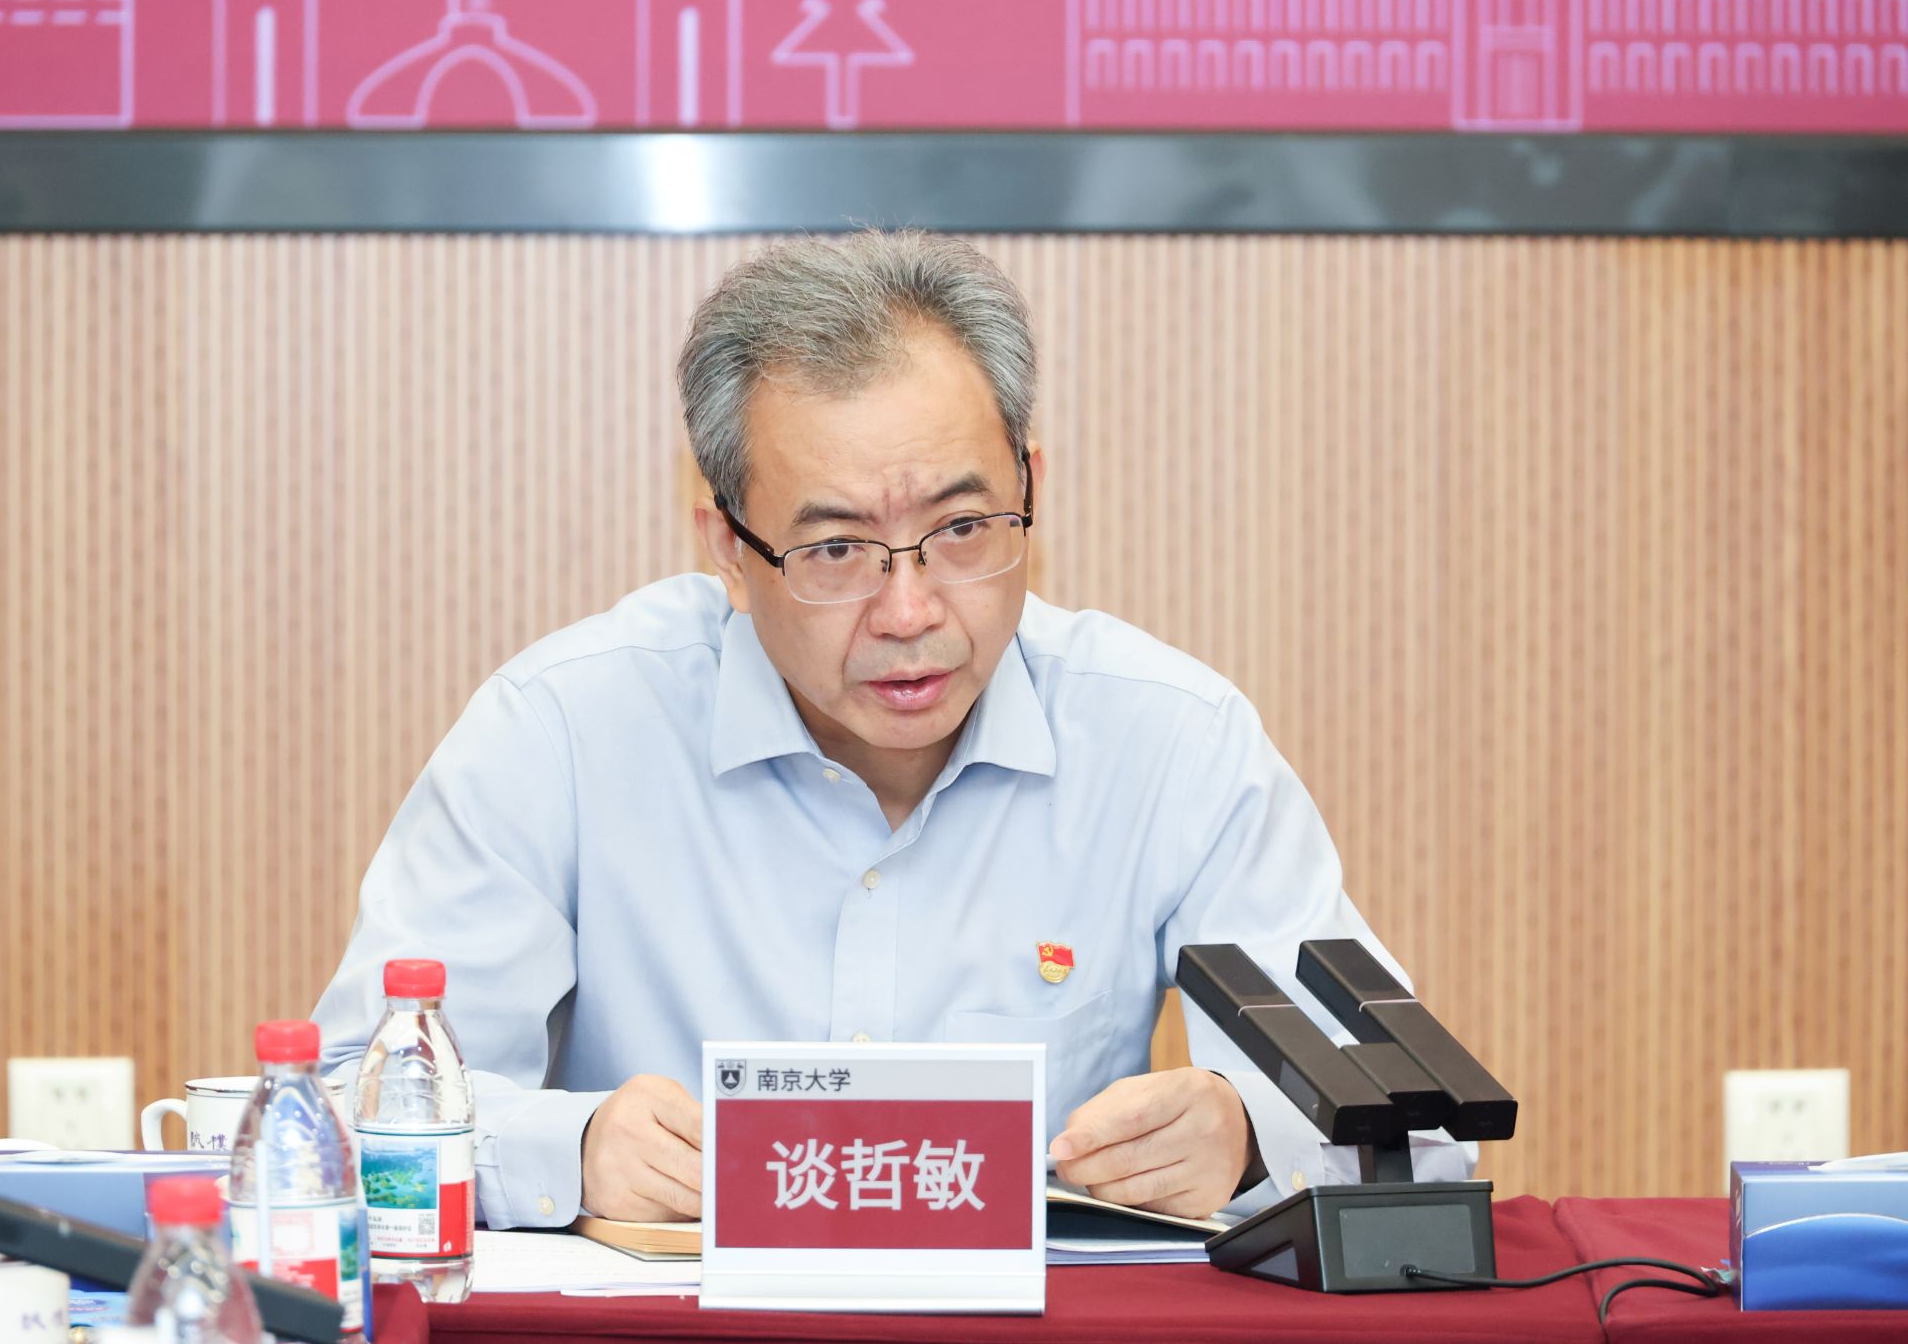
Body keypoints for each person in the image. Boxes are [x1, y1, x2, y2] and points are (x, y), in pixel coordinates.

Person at [311, 229, 1474, 1229]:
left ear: (1030, 486)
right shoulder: (566, 729)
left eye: (962, 530)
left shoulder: (1168, 741)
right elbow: (330, 1113)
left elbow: (1422, 1135)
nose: (910, 612)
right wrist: (568, 1152)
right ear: (725, 547)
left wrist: (1247, 1134)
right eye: (834, 550)